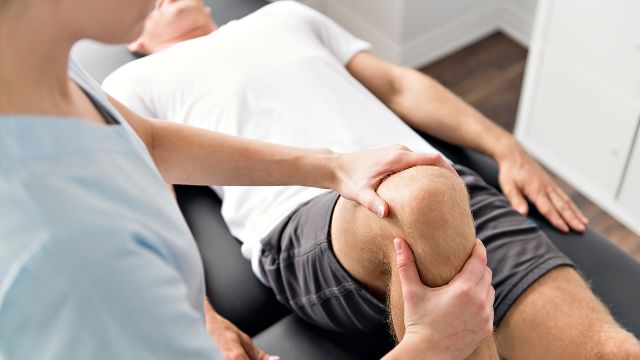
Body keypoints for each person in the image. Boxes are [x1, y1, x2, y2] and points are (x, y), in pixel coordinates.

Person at [104, 1, 640, 359]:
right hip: (308, 224)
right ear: (134, 39)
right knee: (420, 193)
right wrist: (202, 317)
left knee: (613, 353)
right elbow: (148, 196)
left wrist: (505, 146)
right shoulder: (131, 81)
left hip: (448, 189)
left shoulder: (285, 15)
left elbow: (399, 86)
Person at [0, 0, 495, 359]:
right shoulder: (59, 253)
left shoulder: (45, 66)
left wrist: (331, 165)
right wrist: (431, 347)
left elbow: (149, 141)